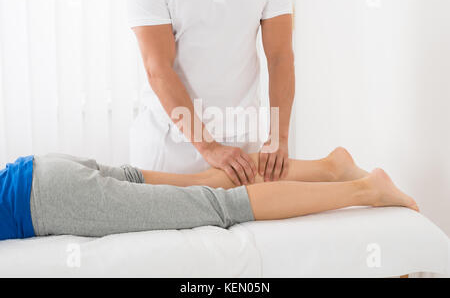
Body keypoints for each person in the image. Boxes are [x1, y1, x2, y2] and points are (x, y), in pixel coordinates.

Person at [0, 147, 418, 241]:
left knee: (219, 209)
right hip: (37, 170)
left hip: (42, 200)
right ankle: (332, 168)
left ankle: (367, 189)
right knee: (201, 182)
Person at [127, 0, 295, 186]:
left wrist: (279, 136)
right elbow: (158, 70)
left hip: (243, 148)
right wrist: (209, 147)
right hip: (170, 148)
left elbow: (280, 58)